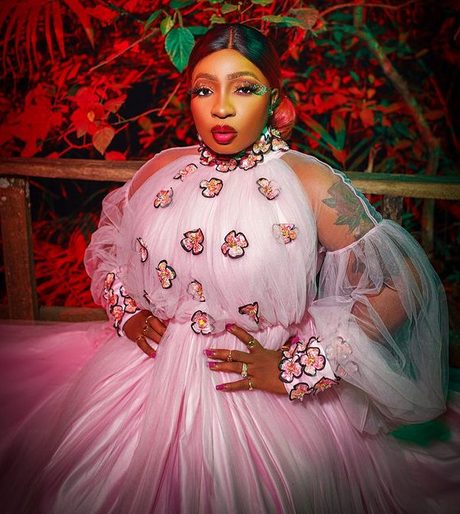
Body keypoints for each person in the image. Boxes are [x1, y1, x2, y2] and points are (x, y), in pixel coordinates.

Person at [0, 23, 458, 514]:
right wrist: (127, 312)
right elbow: (111, 243)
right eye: (204, 89)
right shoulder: (163, 168)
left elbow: (404, 280)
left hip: (261, 388)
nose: (221, 107)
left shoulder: (308, 181)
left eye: (243, 88)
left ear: (274, 99)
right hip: (148, 378)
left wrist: (299, 368)